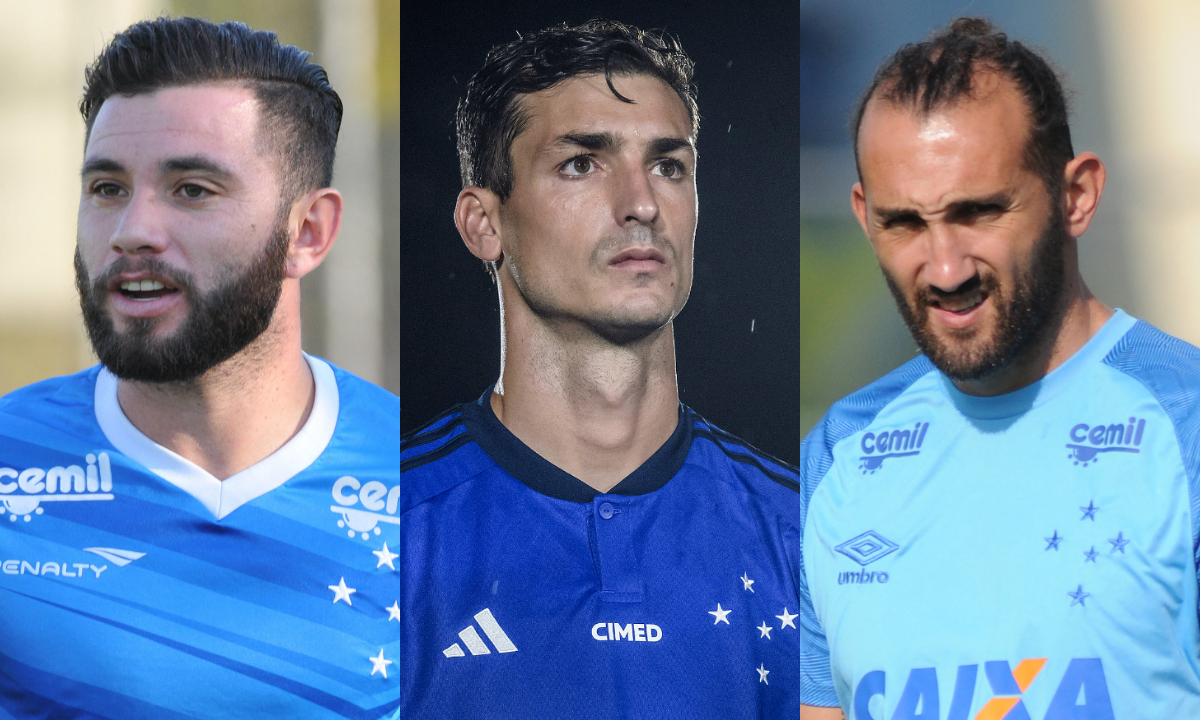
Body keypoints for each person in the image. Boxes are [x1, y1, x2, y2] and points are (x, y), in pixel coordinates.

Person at [798, 17, 1200, 720]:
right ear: (864, 218)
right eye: (905, 224)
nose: (945, 268)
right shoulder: (837, 459)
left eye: (979, 212)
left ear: (1076, 195)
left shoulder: (1185, 426)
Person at [400, 20, 802, 718]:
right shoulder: (389, 533)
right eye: (582, 163)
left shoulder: (800, 538)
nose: (642, 203)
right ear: (482, 223)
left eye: (669, 166)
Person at [0, 18, 400, 720]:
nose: (132, 230)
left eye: (192, 189)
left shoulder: (428, 488)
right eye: (106, 188)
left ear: (307, 232)